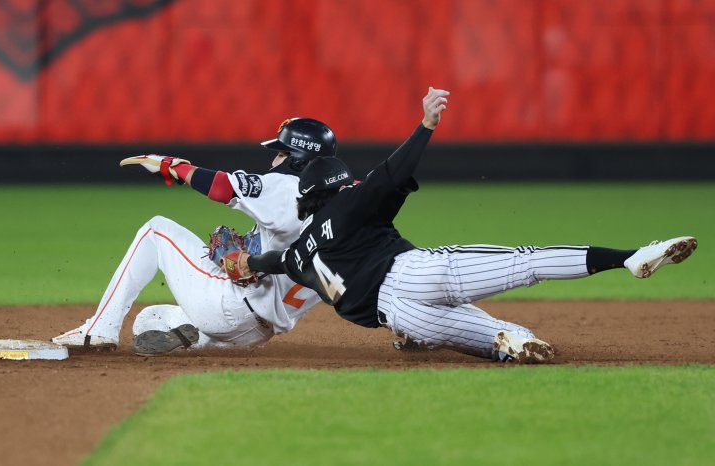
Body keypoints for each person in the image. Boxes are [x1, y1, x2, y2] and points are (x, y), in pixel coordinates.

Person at [224, 87, 698, 363]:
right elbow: (392, 171)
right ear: (337, 187)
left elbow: (275, 260)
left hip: (397, 315)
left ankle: (508, 340)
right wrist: (426, 123)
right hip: (413, 272)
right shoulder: (351, 206)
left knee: (468, 336)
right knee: (525, 264)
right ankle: (629, 258)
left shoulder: (302, 249)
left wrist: (248, 261)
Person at [51, 118, 337, 354]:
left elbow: (223, 186)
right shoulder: (343, 207)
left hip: (231, 306)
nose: (274, 160)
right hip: (258, 331)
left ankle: (97, 330)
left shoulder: (286, 186)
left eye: (280, 153)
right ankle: (200, 339)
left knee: (155, 229)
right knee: (149, 320)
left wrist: (174, 167)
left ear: (297, 160)